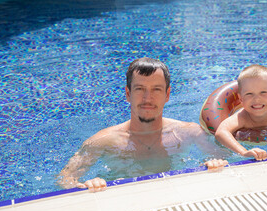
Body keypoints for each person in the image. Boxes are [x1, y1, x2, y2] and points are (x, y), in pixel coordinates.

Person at [58, 57, 228, 192]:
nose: (148, 98)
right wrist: (85, 186)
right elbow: (65, 178)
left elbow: (222, 157)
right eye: (140, 89)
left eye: (156, 89)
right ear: (128, 93)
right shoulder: (103, 141)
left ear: (167, 95)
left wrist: (212, 164)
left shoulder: (188, 132)